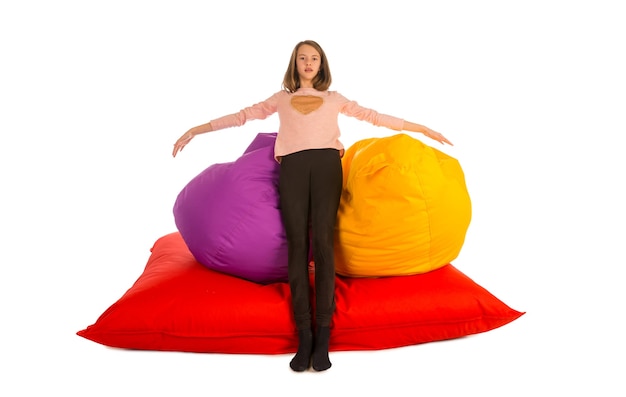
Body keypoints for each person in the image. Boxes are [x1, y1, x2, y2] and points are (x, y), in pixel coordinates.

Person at [172, 40, 452, 372]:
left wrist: (421, 128)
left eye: (314, 58)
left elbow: (374, 117)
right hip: (292, 168)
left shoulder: (334, 100)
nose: (308, 62)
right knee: (297, 247)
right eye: (303, 57)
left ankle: (324, 336)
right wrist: (197, 129)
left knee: (322, 245)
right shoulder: (281, 99)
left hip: (326, 168)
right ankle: (303, 335)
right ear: (295, 63)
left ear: (322, 65)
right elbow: (243, 116)